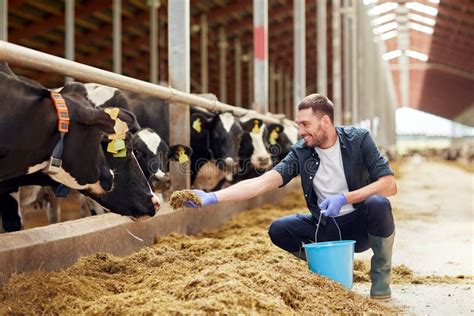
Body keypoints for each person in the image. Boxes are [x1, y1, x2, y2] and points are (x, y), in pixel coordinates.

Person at [184, 94, 397, 299]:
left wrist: (345, 198)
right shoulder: (301, 152)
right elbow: (261, 183)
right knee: (279, 229)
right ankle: (327, 264)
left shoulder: (358, 140)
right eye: (298, 125)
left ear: (325, 121)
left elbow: (389, 185)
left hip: (360, 226)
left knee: (378, 203)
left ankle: (380, 279)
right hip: (325, 226)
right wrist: (213, 197)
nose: (301, 131)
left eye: (305, 124)